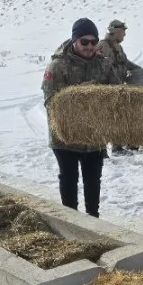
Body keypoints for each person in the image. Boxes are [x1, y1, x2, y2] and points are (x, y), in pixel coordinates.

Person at [42, 17, 118, 217]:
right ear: (74, 40)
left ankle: (94, 221)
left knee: (93, 181)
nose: (90, 46)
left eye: (93, 42)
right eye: (84, 42)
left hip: (94, 138)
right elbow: (51, 102)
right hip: (65, 137)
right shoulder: (57, 66)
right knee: (69, 180)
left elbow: (117, 94)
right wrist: (82, 97)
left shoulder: (103, 65)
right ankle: (73, 222)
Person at [97, 19, 141, 155]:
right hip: (109, 89)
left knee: (124, 115)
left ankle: (128, 143)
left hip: (118, 88)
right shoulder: (104, 46)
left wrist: (140, 70)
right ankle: (117, 147)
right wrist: (116, 85)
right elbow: (105, 68)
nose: (124, 35)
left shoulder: (117, 46)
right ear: (115, 31)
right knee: (114, 117)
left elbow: (125, 63)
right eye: (123, 32)